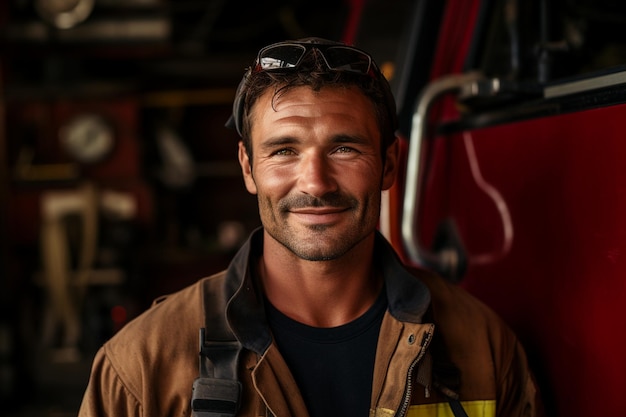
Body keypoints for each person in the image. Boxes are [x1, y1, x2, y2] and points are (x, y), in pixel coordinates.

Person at [78, 37, 542, 417]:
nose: (316, 183)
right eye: (283, 151)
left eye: (344, 148)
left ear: (388, 163)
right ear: (248, 166)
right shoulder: (141, 365)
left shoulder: (481, 345)